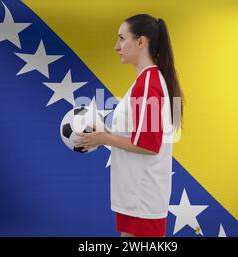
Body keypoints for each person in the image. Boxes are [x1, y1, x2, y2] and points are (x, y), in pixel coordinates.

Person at [75, 14, 184, 237]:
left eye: (122, 38)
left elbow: (148, 144)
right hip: (136, 195)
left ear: (141, 42)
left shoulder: (148, 85)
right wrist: (105, 133)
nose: (117, 46)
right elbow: (138, 135)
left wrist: (103, 139)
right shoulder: (145, 81)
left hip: (142, 197)